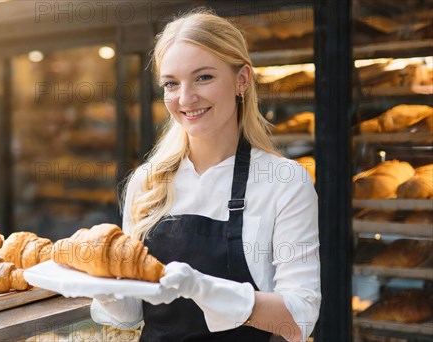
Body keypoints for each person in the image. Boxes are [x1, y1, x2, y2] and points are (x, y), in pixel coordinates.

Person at [91, 9, 320, 342]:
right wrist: (103, 283)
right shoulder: (148, 181)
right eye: (171, 83)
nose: (185, 98)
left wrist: (206, 290)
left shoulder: (284, 181)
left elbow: (300, 319)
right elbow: (130, 315)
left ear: (242, 80)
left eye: (203, 77)